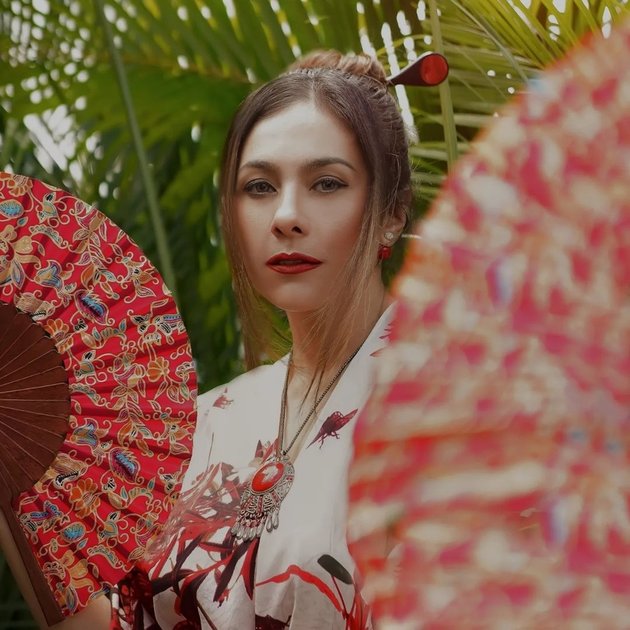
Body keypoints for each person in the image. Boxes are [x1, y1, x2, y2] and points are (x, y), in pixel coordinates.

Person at [51, 48, 415, 629]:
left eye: (325, 183)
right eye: (259, 187)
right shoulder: (205, 426)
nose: (286, 216)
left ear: (392, 210)